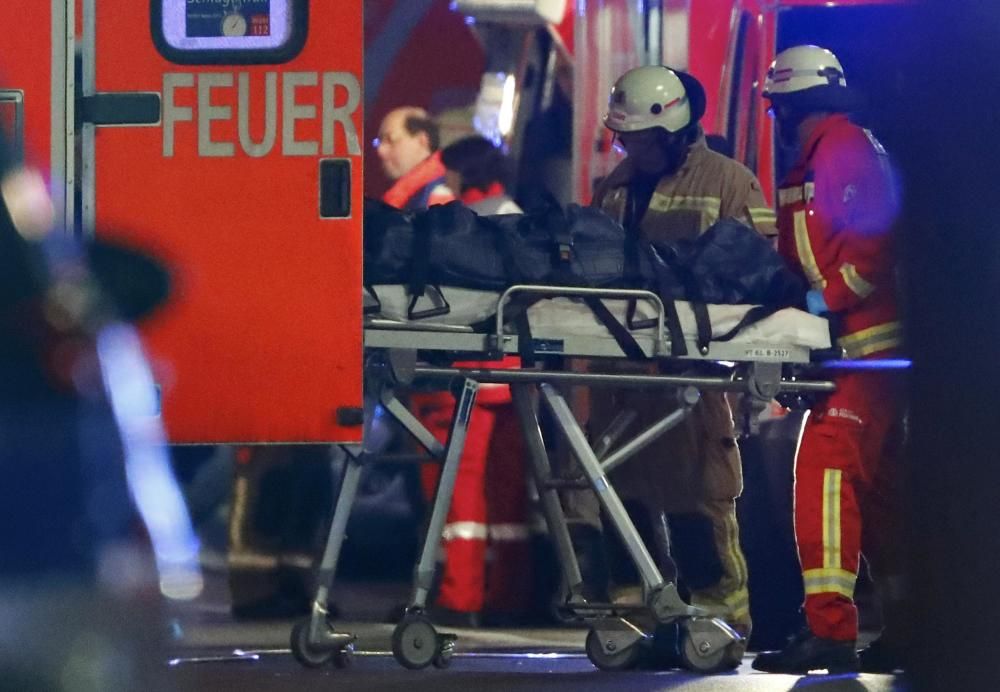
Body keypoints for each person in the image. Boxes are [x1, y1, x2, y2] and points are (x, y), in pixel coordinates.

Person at [567, 65, 777, 660]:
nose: (631, 148)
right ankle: (639, 613)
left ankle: (718, 617)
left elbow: (757, 269)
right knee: (618, 495)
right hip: (621, 379)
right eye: (625, 138)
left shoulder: (729, 182)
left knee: (697, 495)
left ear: (678, 131)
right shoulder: (614, 186)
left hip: (691, 376)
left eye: (642, 138)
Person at [751, 45, 907, 675]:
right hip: (845, 347)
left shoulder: (842, 148)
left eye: (777, 106)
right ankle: (912, 624)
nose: (776, 118)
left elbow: (868, 247)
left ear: (792, 102)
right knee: (884, 497)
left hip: (865, 347)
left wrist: (823, 301)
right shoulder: (819, 153)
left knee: (826, 472)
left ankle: (831, 631)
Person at [414, 136, 533, 626]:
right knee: (506, 492)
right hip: (512, 373)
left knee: (461, 487)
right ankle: (509, 593)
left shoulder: (461, 220)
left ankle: (461, 596)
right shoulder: (514, 215)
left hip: (470, 369)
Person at [376, 106, 455, 211]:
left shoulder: (440, 195)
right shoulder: (411, 195)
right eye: (378, 142)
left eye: (390, 140)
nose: (380, 150)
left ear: (423, 141)